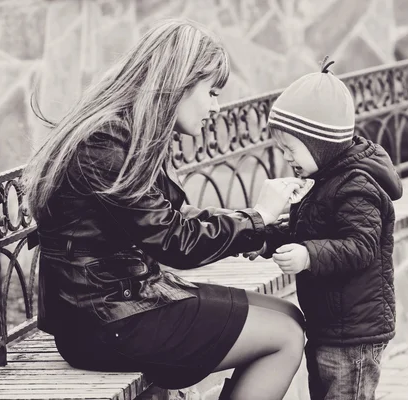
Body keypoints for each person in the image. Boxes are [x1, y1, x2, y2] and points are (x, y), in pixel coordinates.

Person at [20, 18, 306, 400]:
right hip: (103, 321)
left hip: (126, 301)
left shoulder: (127, 133)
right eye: (212, 92)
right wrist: (258, 217)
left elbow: (172, 221)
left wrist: (265, 230)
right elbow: (175, 242)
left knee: (287, 317)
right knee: (285, 337)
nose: (217, 107)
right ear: (180, 84)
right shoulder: (106, 143)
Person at [247, 60, 403, 400]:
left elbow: (360, 247)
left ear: (321, 144)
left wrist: (307, 256)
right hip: (329, 326)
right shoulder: (321, 181)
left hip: (354, 334)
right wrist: (265, 241)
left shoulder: (356, 186)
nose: (287, 157)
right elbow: (306, 232)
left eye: (291, 148)